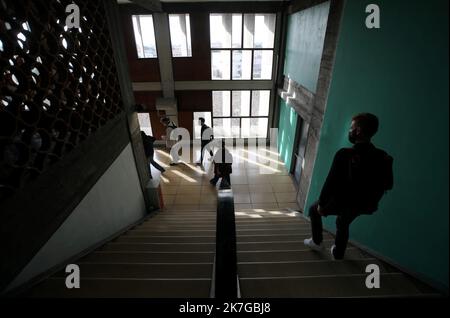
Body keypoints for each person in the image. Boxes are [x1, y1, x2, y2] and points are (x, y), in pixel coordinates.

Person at [304, 113, 393, 259]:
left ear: (358, 131)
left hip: (343, 201)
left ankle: (317, 242)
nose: (349, 130)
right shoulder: (383, 156)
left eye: (351, 127)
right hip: (365, 204)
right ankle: (338, 253)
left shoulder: (344, 154)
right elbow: (388, 185)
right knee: (343, 221)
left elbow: (330, 183)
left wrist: (321, 203)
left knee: (313, 210)